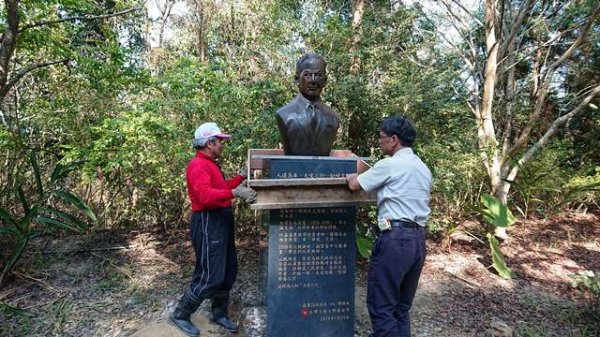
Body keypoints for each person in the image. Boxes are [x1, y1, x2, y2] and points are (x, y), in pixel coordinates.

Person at [346, 115, 432, 337]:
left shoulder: (390, 165)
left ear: (394, 140)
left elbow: (355, 184)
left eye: (381, 138)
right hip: (418, 241)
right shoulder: (423, 168)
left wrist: (351, 174)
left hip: (395, 241)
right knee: (401, 309)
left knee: (382, 306)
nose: (379, 142)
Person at [169, 122, 257, 337]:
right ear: (209, 143)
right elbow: (205, 196)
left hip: (221, 221)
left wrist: (240, 179)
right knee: (210, 274)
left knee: (228, 271)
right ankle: (181, 314)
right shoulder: (197, 166)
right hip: (208, 221)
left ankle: (218, 313)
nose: (222, 146)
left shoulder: (210, 164)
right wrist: (236, 193)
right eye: (220, 142)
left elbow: (220, 188)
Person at [275, 52, 340, 156]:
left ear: (325, 80)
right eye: (308, 75)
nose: (313, 80)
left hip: (323, 171)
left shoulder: (333, 117)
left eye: (318, 75)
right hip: (292, 171)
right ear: (297, 79)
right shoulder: (284, 114)